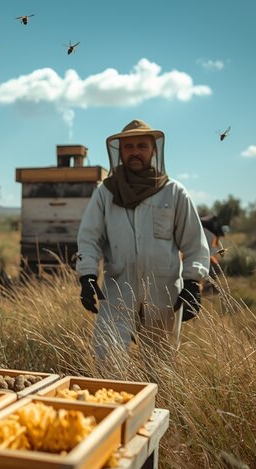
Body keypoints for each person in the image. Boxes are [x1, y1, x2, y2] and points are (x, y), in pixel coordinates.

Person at [75, 119, 210, 357]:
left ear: (154, 150)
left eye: (141, 146)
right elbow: (89, 238)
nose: (135, 152)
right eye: (129, 147)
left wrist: (192, 283)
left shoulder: (174, 192)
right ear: (120, 151)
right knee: (108, 359)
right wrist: (87, 275)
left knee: (160, 366)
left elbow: (194, 242)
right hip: (118, 291)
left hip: (163, 293)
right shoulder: (106, 193)